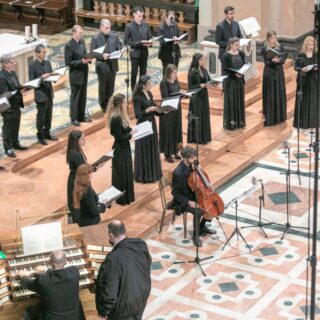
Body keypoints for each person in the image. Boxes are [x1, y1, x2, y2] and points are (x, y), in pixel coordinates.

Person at [96, 220, 151, 320]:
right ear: (124, 231)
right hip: (141, 297)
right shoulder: (140, 244)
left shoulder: (113, 258)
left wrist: (104, 312)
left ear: (111, 235)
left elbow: (109, 290)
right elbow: (147, 265)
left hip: (124, 307)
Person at [18, 250, 85, 320]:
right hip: (75, 317)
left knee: (29, 311)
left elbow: (28, 284)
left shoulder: (43, 281)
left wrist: (23, 276)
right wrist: (46, 270)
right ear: (66, 261)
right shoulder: (74, 272)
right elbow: (59, 275)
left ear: (50, 261)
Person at [172, 146, 216, 247]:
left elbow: (198, 180)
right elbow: (175, 193)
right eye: (192, 158)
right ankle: (195, 236)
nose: (194, 159)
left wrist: (200, 170)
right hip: (183, 199)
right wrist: (188, 202)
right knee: (198, 211)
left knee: (211, 204)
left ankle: (201, 226)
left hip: (194, 194)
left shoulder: (192, 165)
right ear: (185, 158)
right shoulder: (178, 173)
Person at [106, 93, 135, 205]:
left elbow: (125, 128)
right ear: (119, 105)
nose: (126, 104)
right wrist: (130, 135)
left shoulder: (120, 116)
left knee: (127, 172)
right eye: (124, 102)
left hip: (125, 147)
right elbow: (118, 137)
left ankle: (127, 196)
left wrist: (131, 130)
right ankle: (121, 198)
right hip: (119, 149)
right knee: (121, 174)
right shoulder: (116, 118)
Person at [133, 75, 163, 183]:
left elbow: (154, 108)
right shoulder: (137, 97)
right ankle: (145, 176)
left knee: (152, 148)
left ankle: (154, 174)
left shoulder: (149, 93)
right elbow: (137, 115)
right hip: (143, 125)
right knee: (145, 150)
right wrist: (147, 110)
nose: (151, 85)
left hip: (151, 123)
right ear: (143, 85)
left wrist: (162, 110)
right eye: (149, 84)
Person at [29, 44, 58, 145]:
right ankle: (40, 136)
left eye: (45, 52)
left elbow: (50, 74)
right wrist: (42, 77)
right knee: (41, 116)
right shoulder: (32, 66)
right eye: (43, 52)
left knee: (49, 115)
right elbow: (32, 82)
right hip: (40, 95)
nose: (45, 54)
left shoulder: (47, 63)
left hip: (49, 93)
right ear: (37, 53)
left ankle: (47, 133)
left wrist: (54, 78)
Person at [0, 54, 28, 158]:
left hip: (15, 104)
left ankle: (15, 143)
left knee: (16, 124)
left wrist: (25, 87)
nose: (14, 63)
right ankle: (7, 149)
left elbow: (17, 86)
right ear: (5, 64)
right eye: (12, 62)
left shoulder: (13, 73)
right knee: (7, 128)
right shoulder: (1, 76)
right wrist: (18, 91)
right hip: (7, 106)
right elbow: (4, 93)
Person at [90, 19, 121, 113]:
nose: (108, 30)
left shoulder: (114, 36)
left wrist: (120, 51)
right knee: (103, 87)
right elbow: (92, 53)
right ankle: (103, 105)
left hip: (113, 65)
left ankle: (110, 103)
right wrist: (102, 56)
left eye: (110, 28)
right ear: (101, 28)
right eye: (106, 28)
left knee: (111, 86)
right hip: (102, 66)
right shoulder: (95, 38)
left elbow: (118, 47)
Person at [65, 25, 92, 127]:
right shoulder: (69, 45)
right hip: (76, 75)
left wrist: (88, 58)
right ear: (74, 33)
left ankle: (81, 115)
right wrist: (82, 61)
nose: (81, 35)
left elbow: (84, 54)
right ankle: (74, 118)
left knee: (83, 95)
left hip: (84, 73)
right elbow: (68, 62)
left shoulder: (82, 41)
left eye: (82, 33)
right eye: (80, 33)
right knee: (75, 97)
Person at [261, 30, 287, 126]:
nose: (274, 40)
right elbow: (266, 63)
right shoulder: (264, 48)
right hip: (269, 73)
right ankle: (271, 116)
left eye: (275, 38)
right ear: (268, 39)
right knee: (271, 94)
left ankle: (280, 116)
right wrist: (273, 61)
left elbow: (283, 60)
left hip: (279, 72)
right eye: (272, 38)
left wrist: (280, 60)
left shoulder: (280, 47)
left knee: (279, 92)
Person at [124, 6, 152, 91]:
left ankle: (142, 90)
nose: (141, 18)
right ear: (134, 15)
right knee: (134, 74)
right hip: (135, 54)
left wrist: (150, 43)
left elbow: (150, 37)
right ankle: (133, 91)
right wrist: (136, 43)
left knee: (143, 74)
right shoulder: (129, 26)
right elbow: (126, 41)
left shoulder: (146, 25)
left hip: (144, 53)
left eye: (142, 16)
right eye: (139, 16)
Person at [293, 36, 318, 129]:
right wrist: (302, 69)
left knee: (312, 100)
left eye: (312, 45)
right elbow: (296, 67)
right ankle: (303, 122)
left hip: (313, 80)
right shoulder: (301, 55)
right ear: (306, 45)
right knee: (303, 101)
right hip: (303, 80)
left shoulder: (316, 54)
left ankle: (312, 122)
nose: (311, 47)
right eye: (309, 45)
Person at [159, 64, 182, 162]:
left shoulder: (176, 80)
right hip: (168, 108)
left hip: (177, 107)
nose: (175, 74)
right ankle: (168, 154)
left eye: (176, 72)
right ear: (168, 73)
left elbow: (178, 90)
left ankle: (176, 151)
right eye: (173, 73)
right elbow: (165, 97)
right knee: (169, 130)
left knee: (176, 128)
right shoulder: (163, 83)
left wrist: (181, 95)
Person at [187, 52, 212, 145]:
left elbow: (209, 79)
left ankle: (204, 136)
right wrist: (199, 85)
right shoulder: (192, 71)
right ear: (197, 61)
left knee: (204, 115)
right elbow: (190, 87)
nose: (203, 61)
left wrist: (214, 83)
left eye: (203, 59)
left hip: (204, 95)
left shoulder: (203, 69)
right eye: (201, 59)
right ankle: (197, 137)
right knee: (198, 115)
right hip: (196, 97)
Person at [222, 37, 246, 130]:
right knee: (232, 102)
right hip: (231, 82)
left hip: (239, 81)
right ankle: (231, 123)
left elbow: (243, 65)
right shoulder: (226, 56)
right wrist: (234, 74)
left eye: (238, 45)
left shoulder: (241, 53)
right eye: (236, 45)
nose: (238, 47)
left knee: (239, 101)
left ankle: (239, 122)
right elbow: (224, 71)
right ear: (231, 45)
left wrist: (242, 74)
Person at [66, 130, 87, 223]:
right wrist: (93, 168)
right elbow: (82, 169)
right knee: (76, 207)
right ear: (76, 141)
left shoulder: (76, 150)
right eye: (82, 138)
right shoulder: (74, 153)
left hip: (77, 179)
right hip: (76, 182)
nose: (85, 140)